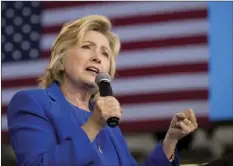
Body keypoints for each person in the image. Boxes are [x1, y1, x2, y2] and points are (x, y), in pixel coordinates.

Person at [7, 15, 198, 166]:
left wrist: (171, 140)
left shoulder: (107, 124)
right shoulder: (31, 103)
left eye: (105, 53)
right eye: (87, 47)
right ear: (61, 59)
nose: (97, 58)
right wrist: (93, 125)